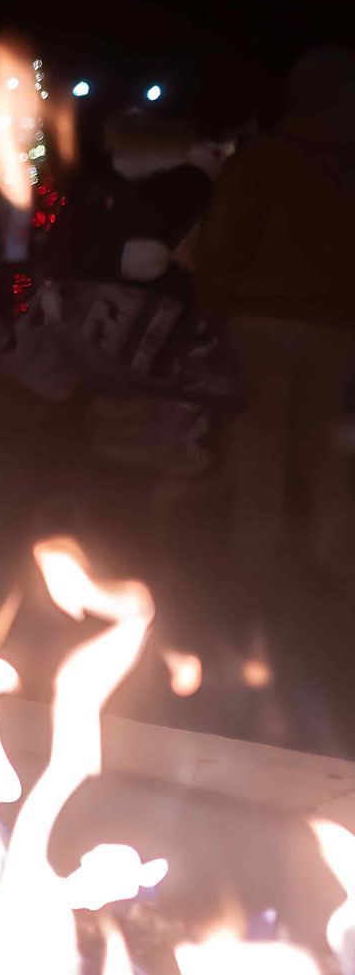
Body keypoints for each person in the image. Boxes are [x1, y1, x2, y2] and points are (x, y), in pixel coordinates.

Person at [196, 45, 355, 578]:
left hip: (259, 320)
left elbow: (222, 241)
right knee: (321, 446)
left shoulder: (264, 156)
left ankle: (256, 565)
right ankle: (331, 560)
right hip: (335, 325)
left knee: (259, 445)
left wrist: (211, 311)